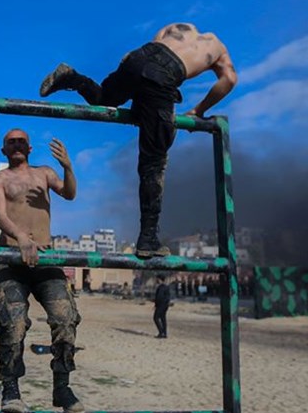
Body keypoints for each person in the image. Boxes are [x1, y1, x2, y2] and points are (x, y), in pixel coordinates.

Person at [39, 23, 237, 258]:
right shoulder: (219, 49)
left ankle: (71, 77)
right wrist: (198, 109)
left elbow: (152, 51)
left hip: (138, 57)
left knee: (104, 98)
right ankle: (148, 239)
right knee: (154, 163)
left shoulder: (181, 27)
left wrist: (144, 97)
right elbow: (230, 80)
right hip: (165, 76)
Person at [0, 128, 84, 413]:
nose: (16, 145)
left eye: (21, 142)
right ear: (4, 150)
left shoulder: (44, 173)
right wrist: (20, 236)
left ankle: (62, 385)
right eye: (10, 142)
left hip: (45, 258)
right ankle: (11, 389)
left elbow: (69, 193)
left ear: (29, 148)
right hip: (11, 259)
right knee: (13, 323)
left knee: (65, 317)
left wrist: (67, 166)